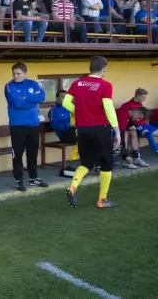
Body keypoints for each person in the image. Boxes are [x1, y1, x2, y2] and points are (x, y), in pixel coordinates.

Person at [63, 56, 121, 209]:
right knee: (106, 165)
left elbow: (65, 103)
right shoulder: (105, 85)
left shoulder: (77, 83)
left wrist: (79, 111)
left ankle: (72, 187)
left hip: (82, 129)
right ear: (103, 69)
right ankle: (102, 200)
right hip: (100, 128)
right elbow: (108, 108)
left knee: (86, 163)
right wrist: (117, 129)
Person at [5, 62, 48, 191]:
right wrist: (31, 98)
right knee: (17, 154)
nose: (15, 76)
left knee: (32, 153)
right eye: (14, 73)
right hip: (17, 125)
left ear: (25, 73)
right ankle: (19, 180)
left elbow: (42, 96)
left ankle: (33, 178)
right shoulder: (9, 86)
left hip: (33, 124)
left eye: (18, 73)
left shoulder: (32, 84)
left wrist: (25, 97)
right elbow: (16, 103)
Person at [116, 88, 150, 168]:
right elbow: (122, 125)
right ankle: (126, 160)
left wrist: (134, 125)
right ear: (138, 96)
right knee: (126, 133)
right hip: (120, 128)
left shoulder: (140, 106)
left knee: (133, 132)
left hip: (131, 127)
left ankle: (136, 157)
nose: (144, 99)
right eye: (143, 97)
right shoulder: (126, 106)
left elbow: (135, 119)